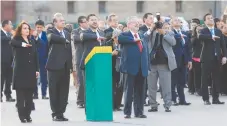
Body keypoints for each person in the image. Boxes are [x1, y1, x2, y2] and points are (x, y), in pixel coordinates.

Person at [118, 16, 148, 119]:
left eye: (138, 23)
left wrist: (147, 65)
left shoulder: (141, 35)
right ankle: (127, 112)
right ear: (129, 25)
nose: (137, 24)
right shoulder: (125, 35)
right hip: (130, 67)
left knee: (140, 91)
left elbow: (145, 51)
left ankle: (139, 112)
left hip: (141, 68)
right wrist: (134, 40)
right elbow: (120, 39)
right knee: (129, 90)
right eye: (135, 23)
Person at [10, 21, 39, 123]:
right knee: (20, 97)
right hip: (20, 72)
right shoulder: (16, 39)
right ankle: (22, 117)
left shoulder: (32, 40)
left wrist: (37, 70)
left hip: (30, 72)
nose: (27, 30)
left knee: (29, 97)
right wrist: (23, 44)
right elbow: (13, 43)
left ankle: (28, 115)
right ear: (20, 30)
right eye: (24, 28)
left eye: (28, 28)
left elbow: (35, 56)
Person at [145, 21, 176, 112]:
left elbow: (173, 43)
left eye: (164, 26)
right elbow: (145, 38)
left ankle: (167, 105)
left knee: (166, 85)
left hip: (164, 63)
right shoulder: (151, 33)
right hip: (152, 63)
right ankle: (153, 105)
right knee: (151, 86)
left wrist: (165, 33)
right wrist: (152, 29)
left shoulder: (169, 33)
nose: (162, 27)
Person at [46, 13, 72, 121]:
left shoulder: (67, 33)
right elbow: (51, 38)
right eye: (60, 20)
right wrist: (63, 40)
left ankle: (61, 112)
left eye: (63, 20)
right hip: (54, 66)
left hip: (65, 66)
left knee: (64, 90)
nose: (63, 22)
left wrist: (70, 65)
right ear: (55, 22)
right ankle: (55, 113)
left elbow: (70, 50)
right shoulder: (51, 31)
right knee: (54, 90)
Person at [199, 13, 227, 105]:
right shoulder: (203, 30)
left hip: (217, 58)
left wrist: (225, 56)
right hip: (206, 58)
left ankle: (216, 98)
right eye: (208, 18)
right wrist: (211, 37)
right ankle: (206, 99)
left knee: (216, 79)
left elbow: (223, 45)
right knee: (205, 79)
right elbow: (200, 37)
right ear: (205, 21)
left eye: (211, 18)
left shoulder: (218, 31)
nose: (211, 19)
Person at [79, 14, 105, 111]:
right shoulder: (84, 33)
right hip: (88, 64)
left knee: (99, 87)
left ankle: (98, 108)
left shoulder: (102, 32)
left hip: (100, 64)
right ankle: (89, 110)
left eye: (96, 19)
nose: (94, 21)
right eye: (92, 20)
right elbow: (83, 36)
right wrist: (97, 37)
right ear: (88, 22)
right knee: (89, 88)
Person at [171, 17, 192, 106]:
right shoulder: (171, 32)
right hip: (174, 59)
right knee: (173, 81)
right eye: (175, 20)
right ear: (171, 24)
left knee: (182, 80)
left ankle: (182, 99)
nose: (178, 21)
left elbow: (188, 47)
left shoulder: (185, 33)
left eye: (179, 20)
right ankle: (173, 99)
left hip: (184, 59)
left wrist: (190, 60)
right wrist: (178, 36)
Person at [104, 13, 122, 111]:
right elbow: (105, 44)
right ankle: (112, 104)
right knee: (112, 83)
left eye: (117, 20)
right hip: (111, 60)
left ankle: (118, 104)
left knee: (120, 83)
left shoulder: (120, 31)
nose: (116, 22)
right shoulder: (106, 32)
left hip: (120, 60)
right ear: (109, 22)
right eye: (114, 20)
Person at [72, 16, 88, 108]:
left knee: (87, 81)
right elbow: (77, 39)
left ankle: (86, 100)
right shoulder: (75, 31)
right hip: (79, 58)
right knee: (81, 81)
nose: (86, 23)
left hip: (89, 58)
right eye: (85, 22)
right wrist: (87, 36)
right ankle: (80, 100)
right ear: (80, 23)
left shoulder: (89, 31)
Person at [139, 12, 154, 106]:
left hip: (154, 56)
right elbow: (144, 37)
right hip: (145, 55)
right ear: (145, 19)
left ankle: (152, 100)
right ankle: (143, 99)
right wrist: (151, 30)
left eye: (153, 18)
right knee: (144, 79)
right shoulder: (141, 29)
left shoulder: (155, 29)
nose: (152, 20)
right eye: (150, 18)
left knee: (152, 81)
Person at [33, 19, 49, 100]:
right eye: (37, 27)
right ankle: (35, 94)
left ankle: (44, 94)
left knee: (44, 77)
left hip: (44, 58)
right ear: (35, 27)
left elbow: (45, 45)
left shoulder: (46, 35)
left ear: (43, 27)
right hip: (33, 59)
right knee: (33, 77)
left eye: (40, 27)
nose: (38, 29)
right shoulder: (31, 35)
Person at [1, 20, 15, 102]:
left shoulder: (10, 34)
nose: (12, 26)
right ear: (5, 25)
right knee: (1, 79)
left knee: (9, 79)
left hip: (10, 61)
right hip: (2, 60)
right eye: (10, 24)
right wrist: (11, 37)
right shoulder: (2, 33)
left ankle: (8, 95)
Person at [190, 25, 203, 96]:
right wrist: (198, 36)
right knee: (197, 75)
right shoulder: (194, 37)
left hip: (204, 58)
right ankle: (197, 89)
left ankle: (202, 88)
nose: (199, 31)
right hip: (196, 58)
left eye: (201, 30)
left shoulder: (204, 38)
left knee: (203, 75)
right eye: (198, 29)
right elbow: (192, 43)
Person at [221, 24, 227, 95]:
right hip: (223, 58)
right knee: (223, 74)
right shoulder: (221, 37)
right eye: (225, 28)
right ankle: (223, 90)